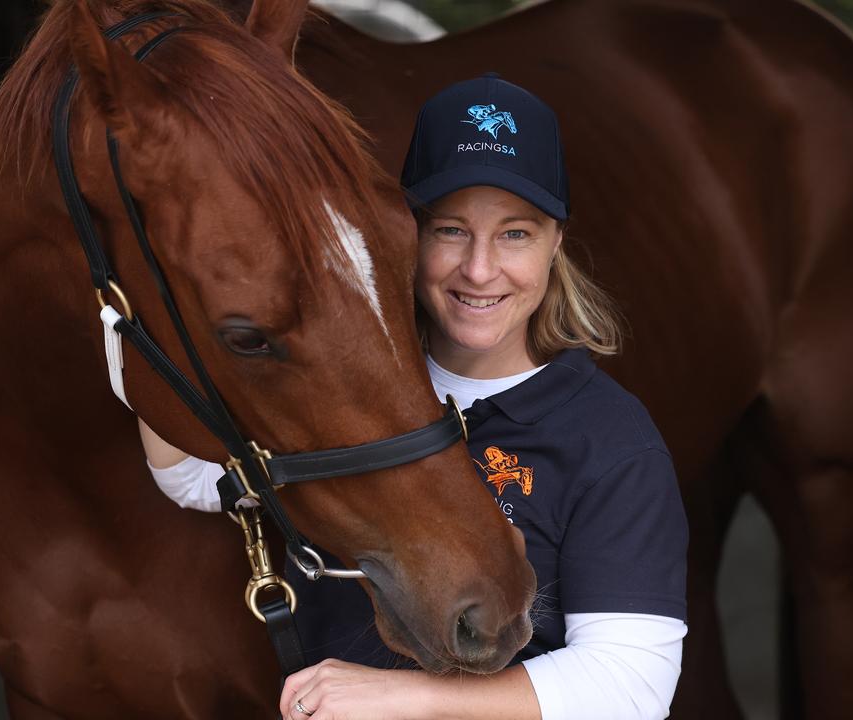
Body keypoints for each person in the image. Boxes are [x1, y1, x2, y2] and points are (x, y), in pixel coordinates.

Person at [138, 74, 688, 720]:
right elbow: (196, 479)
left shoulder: (608, 437)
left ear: (555, 243)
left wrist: (398, 697)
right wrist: (146, 311)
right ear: (406, 236)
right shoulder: (353, 389)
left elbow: (630, 688)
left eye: (515, 234)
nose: (480, 270)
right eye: (451, 231)